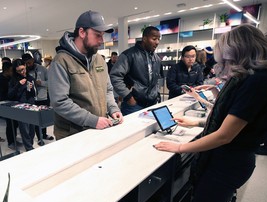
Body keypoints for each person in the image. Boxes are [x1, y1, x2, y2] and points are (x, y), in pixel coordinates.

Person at [154, 24, 267, 202]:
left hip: (227, 165)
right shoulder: (262, 76)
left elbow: (225, 135)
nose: (225, 64)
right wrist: (198, 121)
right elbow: (236, 119)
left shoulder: (258, 82)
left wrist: (179, 148)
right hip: (234, 161)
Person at [48, 10, 123, 140]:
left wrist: (113, 109)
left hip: (98, 129)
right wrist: (92, 120)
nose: (101, 40)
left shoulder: (99, 59)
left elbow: (108, 89)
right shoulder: (61, 61)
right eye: (97, 35)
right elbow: (60, 102)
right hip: (71, 135)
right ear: (82, 32)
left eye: (103, 35)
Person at [110, 26, 162, 115]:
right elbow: (115, 76)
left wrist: (156, 94)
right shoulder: (129, 55)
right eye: (154, 39)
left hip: (151, 103)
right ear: (144, 39)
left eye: (158, 39)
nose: (157, 42)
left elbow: (156, 79)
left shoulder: (156, 58)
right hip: (134, 105)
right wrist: (128, 96)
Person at [22, 53, 54, 145]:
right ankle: (39, 137)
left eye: (29, 62)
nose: (28, 65)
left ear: (32, 60)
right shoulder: (25, 72)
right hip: (32, 98)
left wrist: (41, 83)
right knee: (35, 119)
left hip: (43, 97)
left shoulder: (42, 69)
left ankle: (44, 134)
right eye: (26, 63)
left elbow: (50, 82)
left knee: (44, 118)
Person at [8, 59, 37, 151]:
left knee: (32, 129)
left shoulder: (30, 77)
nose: (22, 72)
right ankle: (29, 148)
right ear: (15, 71)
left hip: (31, 106)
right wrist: (18, 85)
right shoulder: (13, 80)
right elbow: (10, 95)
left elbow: (34, 94)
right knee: (24, 130)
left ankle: (30, 146)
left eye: (23, 69)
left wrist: (32, 89)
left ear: (25, 66)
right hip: (21, 108)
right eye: (19, 70)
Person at [0, 62, 19, 149]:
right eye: (11, 71)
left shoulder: (10, 78)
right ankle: (11, 142)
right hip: (5, 104)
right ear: (7, 71)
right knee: (10, 123)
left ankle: (14, 139)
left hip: (12, 102)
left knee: (14, 123)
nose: (12, 72)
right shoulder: (1, 79)